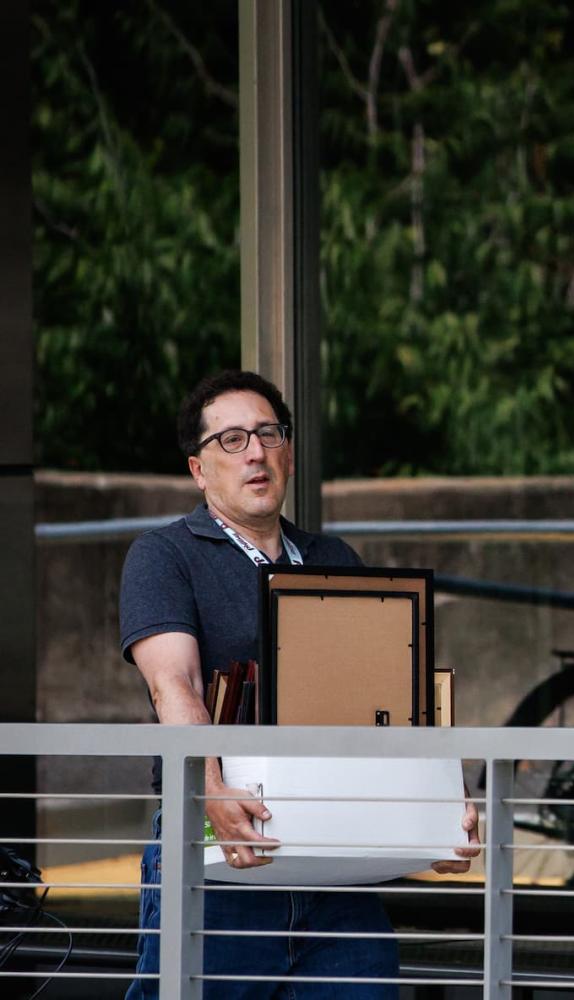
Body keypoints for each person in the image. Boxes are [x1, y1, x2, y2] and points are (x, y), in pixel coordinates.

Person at [120, 370, 478, 998]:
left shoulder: (334, 558)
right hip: (221, 863)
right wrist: (209, 793)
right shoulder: (166, 555)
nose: (255, 451)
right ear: (199, 470)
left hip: (336, 869)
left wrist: (437, 810)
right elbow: (173, 683)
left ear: (287, 451)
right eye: (230, 440)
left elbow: (391, 700)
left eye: (268, 433)